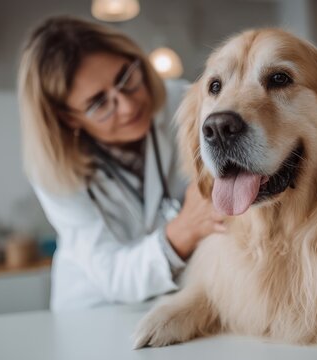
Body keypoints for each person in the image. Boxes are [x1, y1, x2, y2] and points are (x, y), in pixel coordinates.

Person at [18, 16, 225, 311]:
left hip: (183, 292)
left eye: (125, 79)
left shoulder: (182, 102)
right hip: (96, 308)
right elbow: (111, 272)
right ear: (68, 117)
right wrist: (183, 230)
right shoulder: (52, 170)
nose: (128, 106)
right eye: (99, 103)